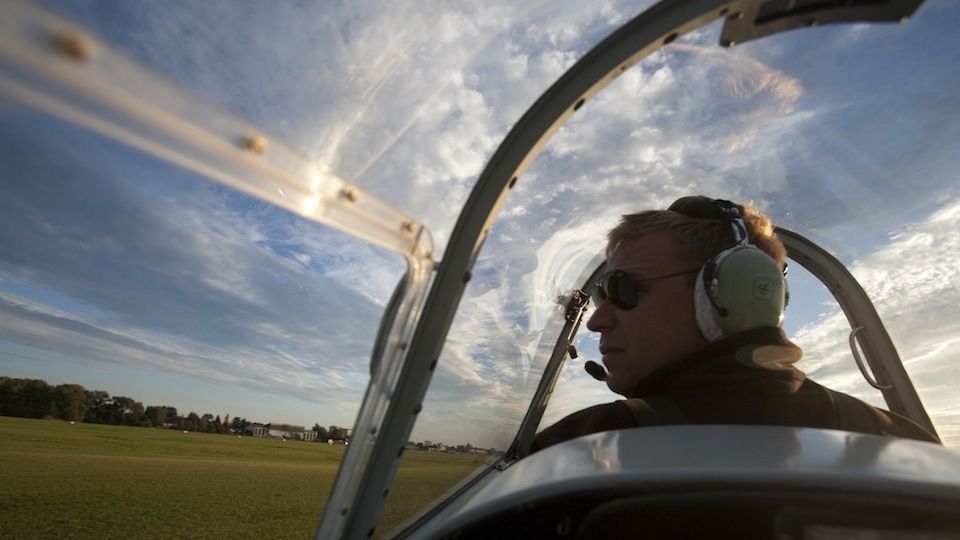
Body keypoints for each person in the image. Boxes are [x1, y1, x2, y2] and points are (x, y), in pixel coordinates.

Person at [529, 195, 939, 453]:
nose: (598, 320)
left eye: (622, 288)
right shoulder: (907, 446)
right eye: (600, 294)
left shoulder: (584, 446)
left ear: (725, 293)